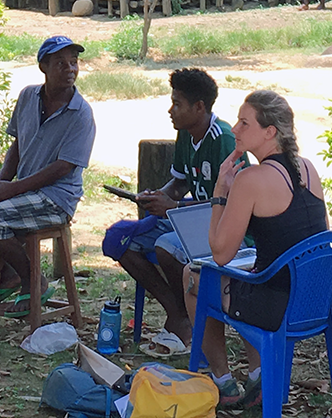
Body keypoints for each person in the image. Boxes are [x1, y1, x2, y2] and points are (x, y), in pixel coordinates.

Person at [182, 90, 329, 408]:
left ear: (270, 132)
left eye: (244, 122)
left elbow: (220, 252)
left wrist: (221, 193)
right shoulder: (308, 169)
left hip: (277, 305)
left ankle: (223, 382)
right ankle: (258, 376)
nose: (234, 128)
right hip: (320, 298)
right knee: (253, 271)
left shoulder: (251, 179)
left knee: (193, 277)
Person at [0, 36, 96, 316]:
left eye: (74, 63)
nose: (70, 69)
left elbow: (63, 168)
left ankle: (34, 280)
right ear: (43, 66)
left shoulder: (81, 113)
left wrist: (11, 190)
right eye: (60, 63)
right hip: (24, 191)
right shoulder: (29, 96)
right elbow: (17, 145)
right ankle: (8, 274)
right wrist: (1, 182)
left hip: (56, 198)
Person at [103, 68, 245, 347]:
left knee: (165, 247)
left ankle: (189, 318)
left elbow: (235, 201)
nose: (171, 110)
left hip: (223, 226)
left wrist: (175, 205)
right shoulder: (186, 133)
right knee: (122, 241)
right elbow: (179, 183)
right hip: (191, 218)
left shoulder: (223, 139)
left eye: (177, 104)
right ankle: (178, 312)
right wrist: (158, 196)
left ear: (199, 107)